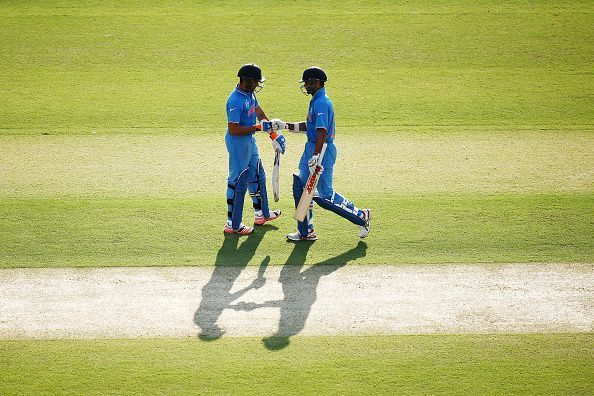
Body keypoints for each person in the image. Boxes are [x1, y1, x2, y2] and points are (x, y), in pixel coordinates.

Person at [271, 66, 371, 241]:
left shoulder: (322, 102)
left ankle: (361, 216)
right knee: (301, 187)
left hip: (323, 150)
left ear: (317, 83)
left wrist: (316, 156)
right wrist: (285, 125)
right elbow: (310, 127)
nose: (306, 86)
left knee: (324, 195)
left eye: (308, 83)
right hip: (312, 147)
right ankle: (305, 232)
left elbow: (322, 132)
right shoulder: (315, 101)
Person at [224, 64, 286, 235]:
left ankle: (261, 214)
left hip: (249, 140)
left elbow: (259, 112)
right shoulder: (235, 100)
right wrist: (259, 128)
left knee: (256, 175)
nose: (258, 84)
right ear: (247, 81)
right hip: (238, 143)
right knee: (237, 180)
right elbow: (233, 129)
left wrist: (273, 133)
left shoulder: (249, 94)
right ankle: (231, 223)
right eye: (257, 81)